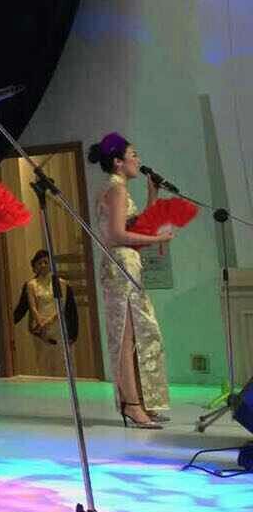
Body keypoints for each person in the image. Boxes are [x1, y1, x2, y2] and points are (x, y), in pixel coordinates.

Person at [88, 132, 174, 428]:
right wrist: (159, 239)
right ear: (118, 162)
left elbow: (138, 226)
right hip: (120, 265)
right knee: (125, 337)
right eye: (133, 155)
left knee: (139, 333)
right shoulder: (116, 189)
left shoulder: (118, 188)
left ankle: (141, 401)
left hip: (128, 264)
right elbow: (117, 235)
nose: (138, 160)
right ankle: (132, 404)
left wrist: (153, 195)